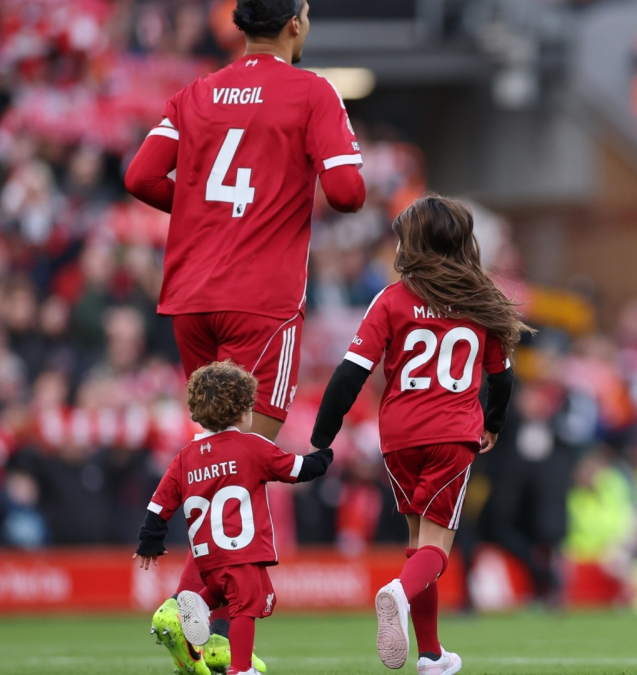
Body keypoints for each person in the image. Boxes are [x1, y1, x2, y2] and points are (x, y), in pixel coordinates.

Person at [123, 0, 366, 669]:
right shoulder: (313, 91)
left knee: (212, 455)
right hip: (259, 298)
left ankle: (210, 636)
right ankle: (193, 612)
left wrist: (204, 211)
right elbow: (347, 192)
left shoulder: (194, 93)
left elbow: (140, 176)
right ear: (297, 23)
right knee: (244, 461)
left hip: (190, 299)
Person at [307, 195, 532, 673]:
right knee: (436, 547)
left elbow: (350, 374)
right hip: (451, 434)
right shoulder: (482, 299)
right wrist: (492, 423)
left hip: (398, 436)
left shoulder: (391, 298)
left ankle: (430, 654)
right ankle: (398, 593)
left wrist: (323, 435)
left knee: (417, 540)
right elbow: (504, 378)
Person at [135, 361, 333, 675]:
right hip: (242, 552)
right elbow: (298, 470)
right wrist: (323, 456)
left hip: (206, 558)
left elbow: (159, 506)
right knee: (245, 609)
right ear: (243, 412)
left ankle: (196, 605)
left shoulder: (185, 456)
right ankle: (241, 669)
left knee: (219, 591)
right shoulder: (252, 447)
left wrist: (150, 542)